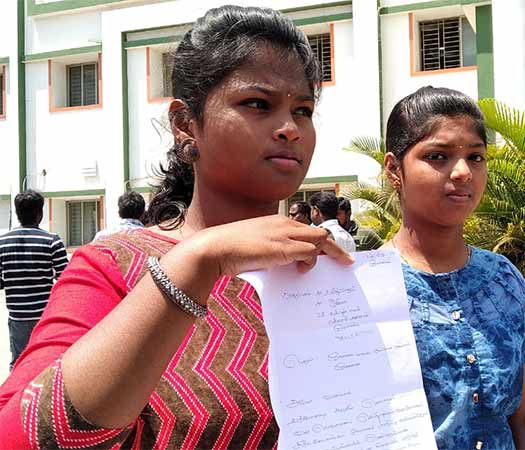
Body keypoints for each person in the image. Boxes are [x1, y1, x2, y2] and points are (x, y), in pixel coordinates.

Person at [0, 6, 353, 449]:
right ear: (186, 124)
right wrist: (199, 262)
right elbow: (17, 436)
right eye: (257, 104)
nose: (289, 129)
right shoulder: (115, 268)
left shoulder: (329, 272)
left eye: (303, 110)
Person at [382, 86, 525, 449]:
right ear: (394, 169)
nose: (462, 172)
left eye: (475, 157)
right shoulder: (366, 289)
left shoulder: (504, 280)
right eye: (438, 156)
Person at [0, 189, 68, 370]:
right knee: (47, 363)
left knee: (19, 363)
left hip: (18, 316)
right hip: (45, 316)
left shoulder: (2, 243)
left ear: (17, 213)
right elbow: (65, 279)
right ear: (39, 213)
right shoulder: (52, 241)